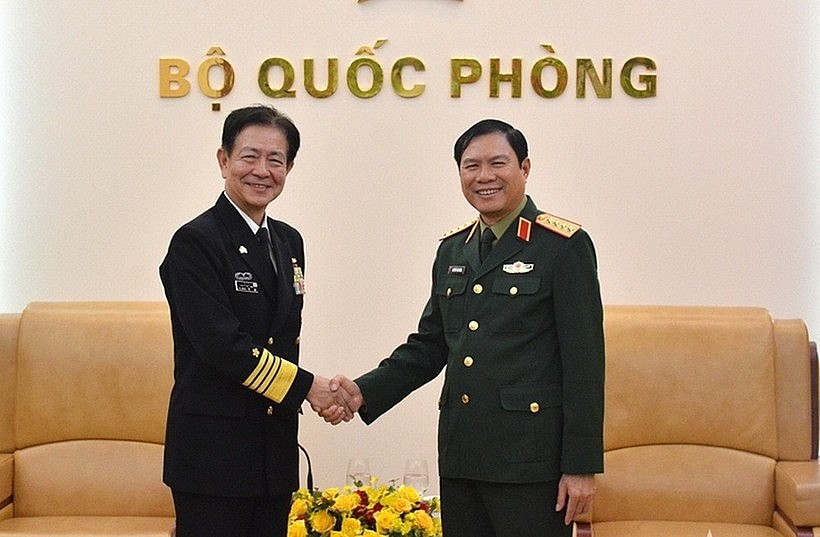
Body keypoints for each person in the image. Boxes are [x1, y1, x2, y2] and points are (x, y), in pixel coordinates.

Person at [328, 118, 605, 537]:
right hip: (462, 456)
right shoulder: (453, 249)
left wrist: (581, 466)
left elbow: (584, 365)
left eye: (498, 163)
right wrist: (364, 391)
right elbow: (429, 346)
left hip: (531, 464)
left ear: (524, 168)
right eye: (471, 166)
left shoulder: (562, 247)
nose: (484, 176)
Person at [159, 105, 351, 537]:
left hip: (273, 454)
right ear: (223, 160)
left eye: (275, 160)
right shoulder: (195, 242)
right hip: (213, 459)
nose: (261, 171)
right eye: (249, 156)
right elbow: (223, 346)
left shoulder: (287, 241)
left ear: (289, 168)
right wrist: (310, 388)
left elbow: (280, 335)